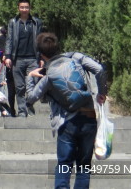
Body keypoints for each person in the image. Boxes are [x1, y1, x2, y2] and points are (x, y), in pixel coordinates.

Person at [27, 32, 108, 189]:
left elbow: (31, 98)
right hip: (89, 117)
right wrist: (101, 93)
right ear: (58, 47)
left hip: (66, 122)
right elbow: (99, 69)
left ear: (41, 54)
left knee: (64, 164)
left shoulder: (48, 76)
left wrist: (30, 76)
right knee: (84, 167)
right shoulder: (76, 57)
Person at [5, 0, 44, 116]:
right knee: (20, 87)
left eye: (26, 7)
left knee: (32, 86)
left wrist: (42, 57)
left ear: (30, 8)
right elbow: (9, 40)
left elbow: (41, 40)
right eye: (22, 7)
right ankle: (22, 112)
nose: (24, 9)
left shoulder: (36, 22)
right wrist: (8, 56)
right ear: (18, 8)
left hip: (33, 58)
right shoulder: (13, 22)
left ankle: (30, 108)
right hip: (18, 59)